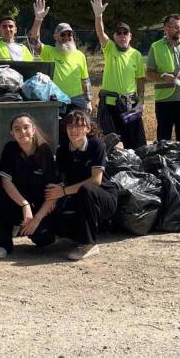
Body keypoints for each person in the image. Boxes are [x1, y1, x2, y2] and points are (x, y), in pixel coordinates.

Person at [48, 110, 116, 261]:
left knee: (86, 189)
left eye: (79, 126)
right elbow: (61, 179)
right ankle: (73, 235)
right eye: (70, 126)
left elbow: (96, 181)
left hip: (102, 197)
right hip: (75, 196)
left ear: (88, 128)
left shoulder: (96, 145)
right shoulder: (63, 150)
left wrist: (63, 191)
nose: (73, 130)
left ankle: (89, 244)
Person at [0, 114, 60, 259]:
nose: (22, 132)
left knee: (44, 239)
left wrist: (37, 218)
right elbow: (6, 181)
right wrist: (24, 204)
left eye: (26, 127)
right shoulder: (10, 149)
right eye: (17, 129)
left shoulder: (44, 150)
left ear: (33, 129)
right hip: (18, 203)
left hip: (39, 206)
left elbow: (53, 190)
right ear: (12, 134)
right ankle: (3, 244)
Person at [91, 0, 146, 149]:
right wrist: (98, 15)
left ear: (130, 36)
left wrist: (141, 102)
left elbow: (140, 80)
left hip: (130, 105)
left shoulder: (136, 55)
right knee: (107, 142)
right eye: (119, 33)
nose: (122, 36)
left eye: (125, 33)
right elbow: (100, 32)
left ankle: (135, 170)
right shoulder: (109, 48)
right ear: (114, 36)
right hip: (109, 104)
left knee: (136, 142)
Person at [146, 14, 180, 156]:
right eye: (175, 28)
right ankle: (162, 167)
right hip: (164, 100)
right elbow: (149, 73)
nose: (179, 30)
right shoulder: (155, 47)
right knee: (163, 138)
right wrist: (162, 77)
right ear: (166, 29)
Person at [29, 0, 91, 112]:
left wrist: (89, 101)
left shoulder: (80, 55)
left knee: (80, 128)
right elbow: (33, 42)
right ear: (55, 36)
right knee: (59, 128)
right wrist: (38, 20)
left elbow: (85, 80)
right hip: (57, 98)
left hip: (77, 100)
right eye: (63, 34)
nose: (67, 37)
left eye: (69, 34)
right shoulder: (49, 52)